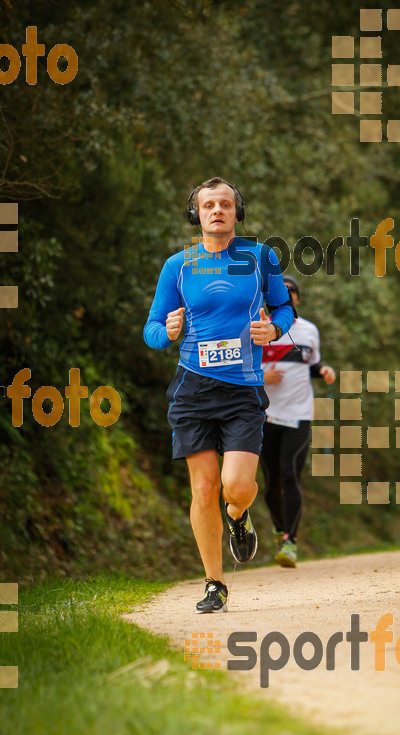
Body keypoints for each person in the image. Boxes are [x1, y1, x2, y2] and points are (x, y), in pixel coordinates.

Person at [143, 177, 295, 613]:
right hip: (192, 387)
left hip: (243, 388)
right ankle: (214, 584)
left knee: (237, 486)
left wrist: (276, 328)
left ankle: (239, 517)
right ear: (196, 214)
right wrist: (166, 332)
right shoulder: (179, 266)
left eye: (225, 204)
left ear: (237, 211)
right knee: (205, 488)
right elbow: (152, 329)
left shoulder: (260, 257)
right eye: (208, 204)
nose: (217, 211)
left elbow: (284, 308)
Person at [260, 275, 335, 567]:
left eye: (291, 292)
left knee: (291, 475)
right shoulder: (258, 328)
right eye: (281, 292)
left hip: (299, 413)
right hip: (264, 414)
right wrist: (262, 376)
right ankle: (280, 528)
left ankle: (290, 541)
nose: (287, 295)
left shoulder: (309, 331)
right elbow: (240, 366)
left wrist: (325, 370)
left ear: (298, 299)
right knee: (271, 483)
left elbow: (311, 365)